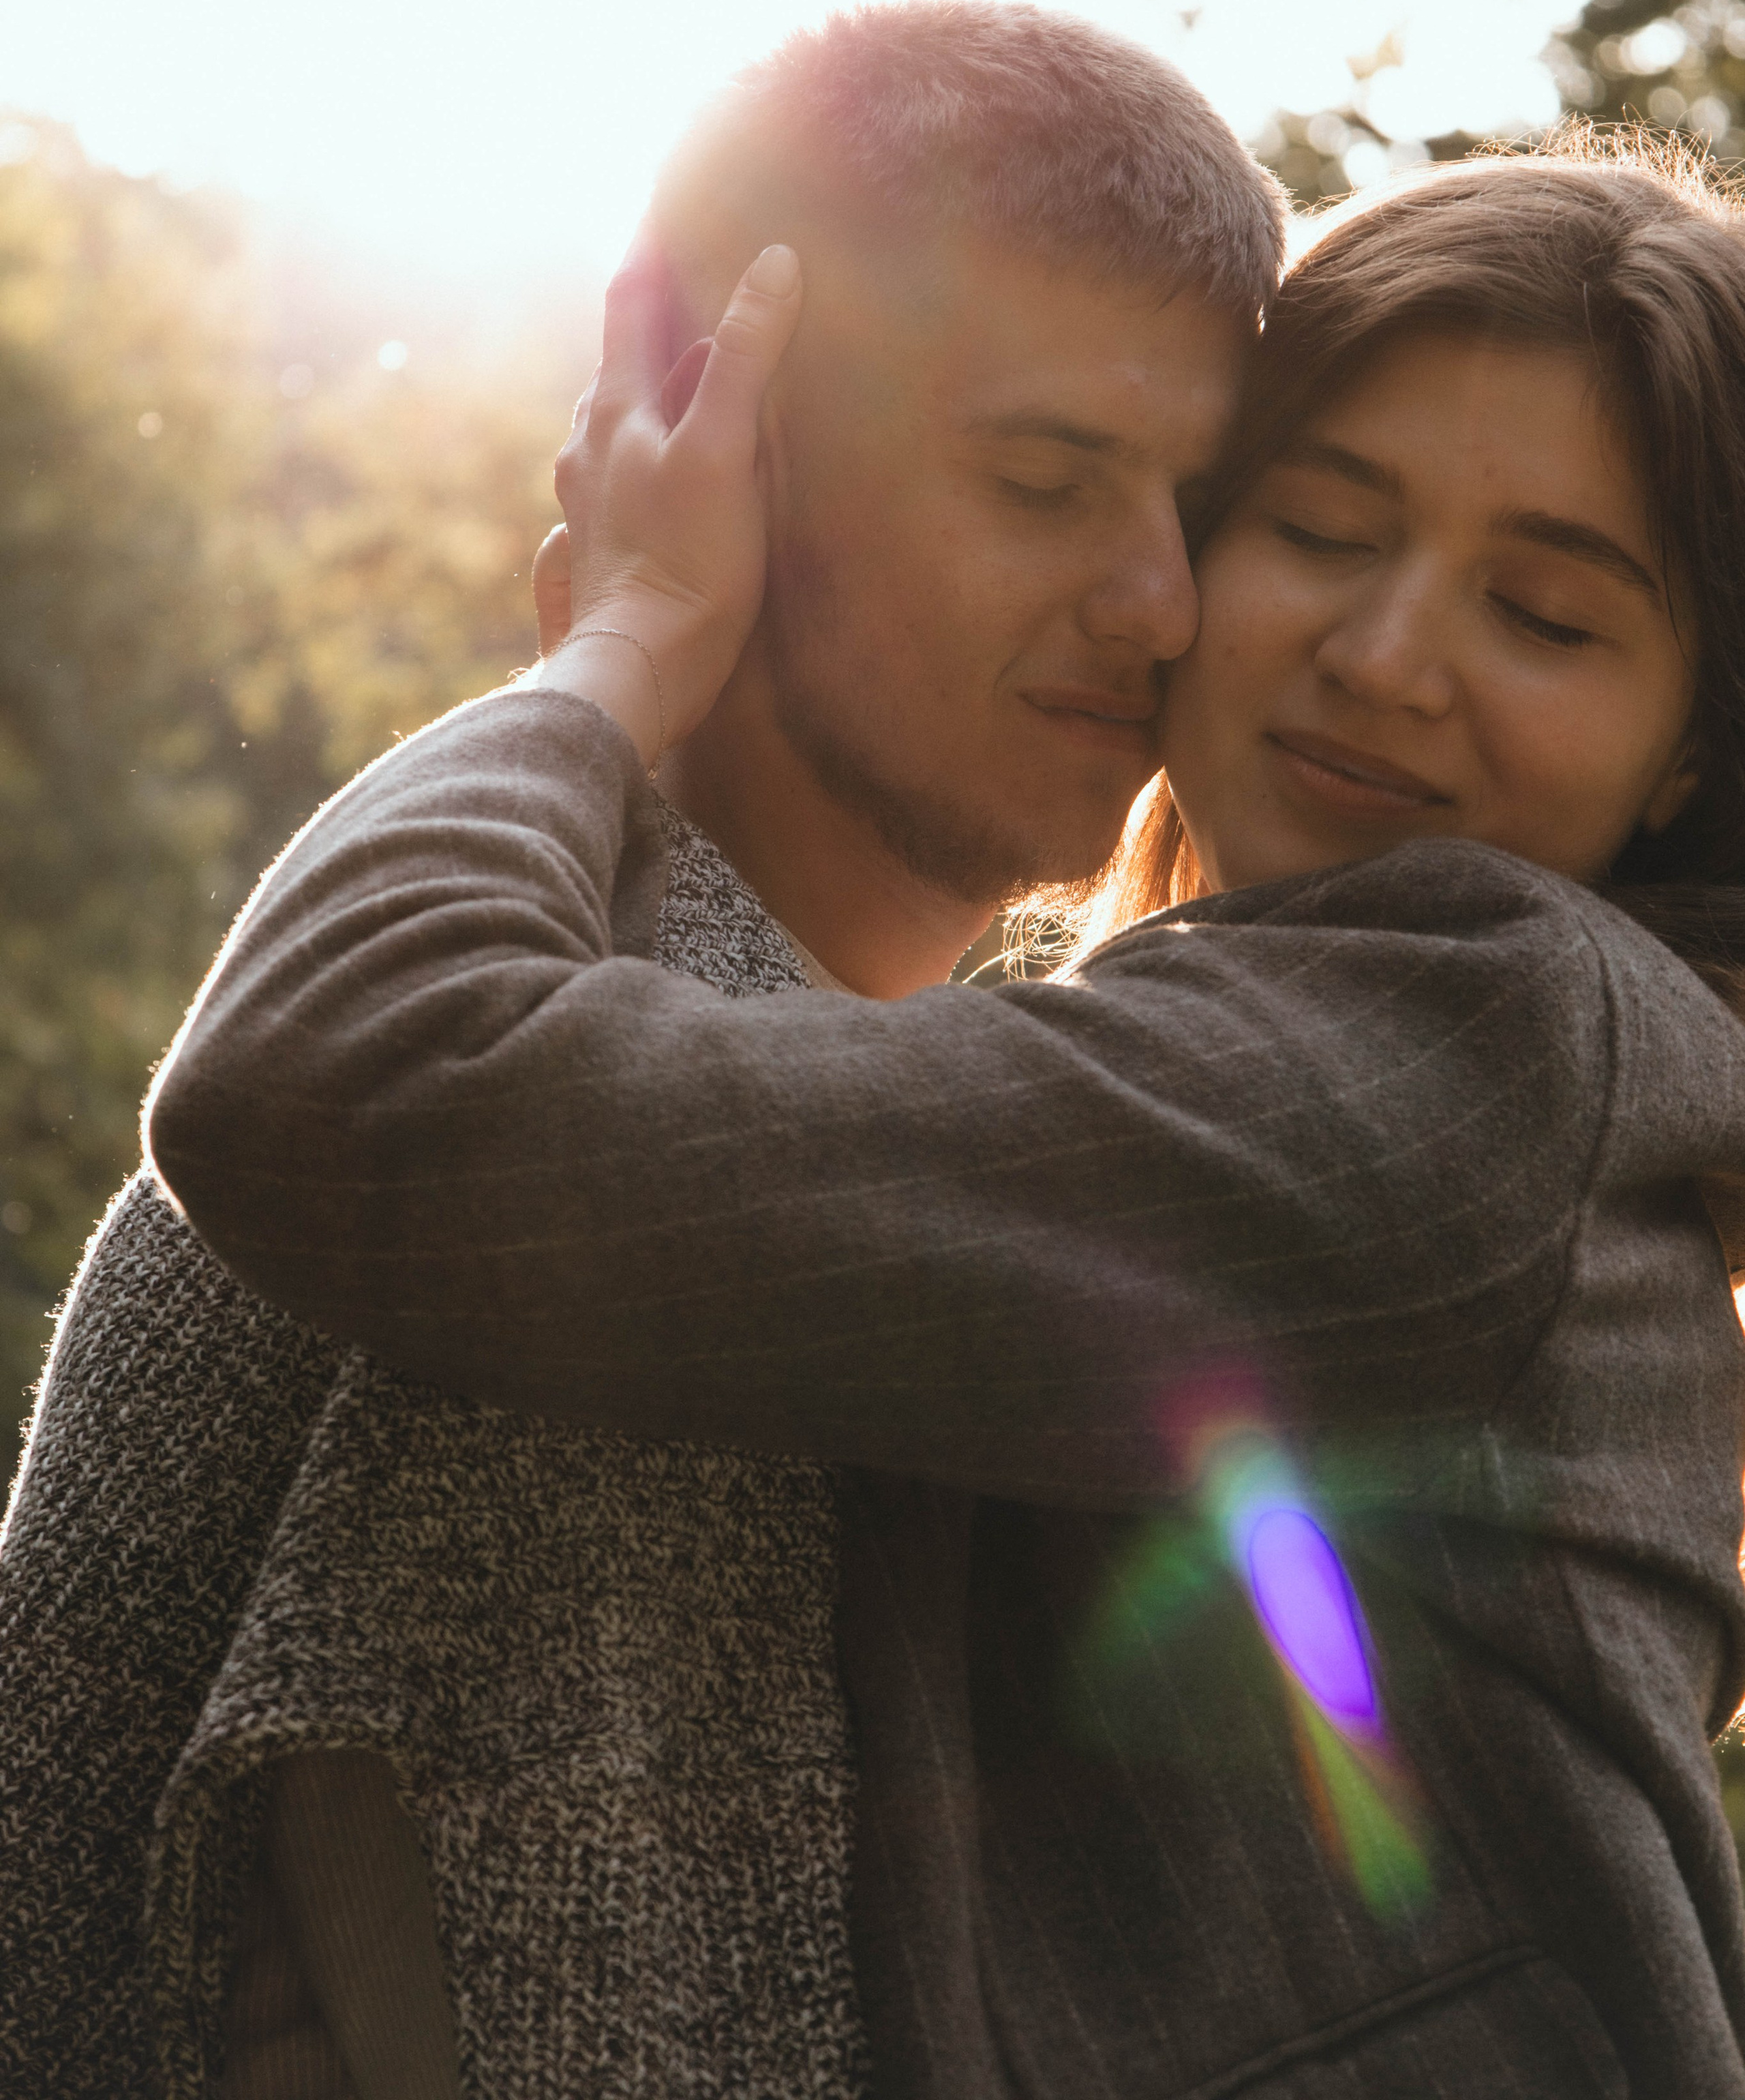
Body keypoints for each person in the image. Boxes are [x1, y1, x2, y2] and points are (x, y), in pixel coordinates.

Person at [153, 131, 1745, 2097]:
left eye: (1551, 615)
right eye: (1325, 529)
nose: (1389, 655)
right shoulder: (1249, 1057)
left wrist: (625, 639)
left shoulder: (1493, 1056)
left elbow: (364, 1080)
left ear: (1693, 747)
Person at [0, 0, 1283, 2097]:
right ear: (726, 453)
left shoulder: (792, 1106)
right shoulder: (574, 1151)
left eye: (1201, 508)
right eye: (1046, 481)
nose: (1157, 600)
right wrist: (621, 651)